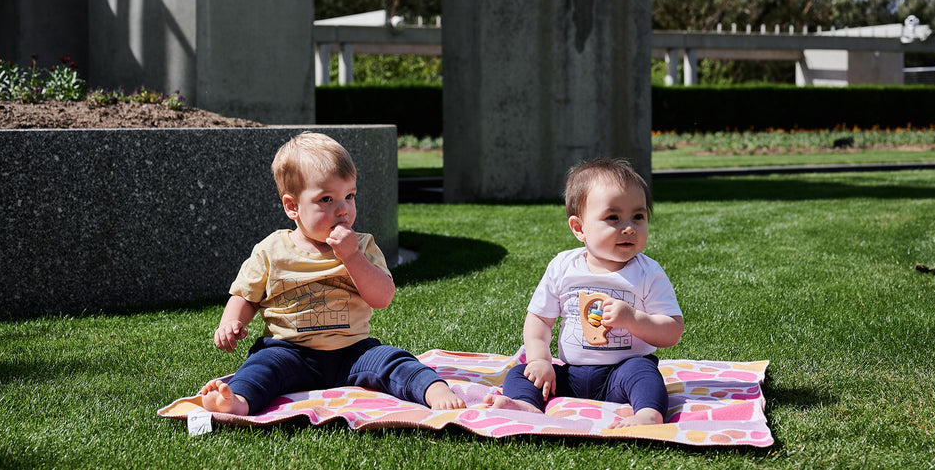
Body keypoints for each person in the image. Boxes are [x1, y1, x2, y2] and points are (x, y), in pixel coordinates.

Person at [199, 131, 465, 415]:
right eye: (326, 199)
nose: (343, 210)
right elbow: (246, 296)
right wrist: (230, 323)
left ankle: (433, 389)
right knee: (261, 367)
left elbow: (382, 297)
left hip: (353, 350)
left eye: (349, 196)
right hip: (289, 350)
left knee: (393, 360)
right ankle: (237, 400)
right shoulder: (271, 250)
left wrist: (352, 256)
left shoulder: (362, 246)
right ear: (292, 206)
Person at [485, 158, 683, 428]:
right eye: (613, 217)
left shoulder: (647, 272)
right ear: (579, 228)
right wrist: (540, 360)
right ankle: (526, 404)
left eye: (638, 216)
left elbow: (673, 330)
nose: (629, 227)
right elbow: (539, 320)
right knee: (521, 373)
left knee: (645, 374)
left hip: (621, 373)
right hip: (571, 375)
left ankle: (648, 414)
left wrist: (632, 319)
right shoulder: (563, 267)